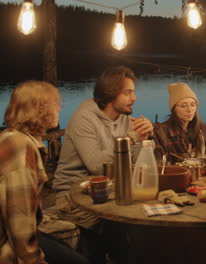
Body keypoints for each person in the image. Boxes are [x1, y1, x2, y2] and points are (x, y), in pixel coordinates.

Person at [53, 66, 154, 263]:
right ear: (109, 93)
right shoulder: (84, 119)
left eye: (133, 92)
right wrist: (131, 138)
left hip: (110, 192)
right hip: (73, 195)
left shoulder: (125, 119)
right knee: (122, 229)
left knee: (143, 227)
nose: (134, 98)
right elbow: (97, 166)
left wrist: (146, 140)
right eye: (128, 92)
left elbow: (137, 164)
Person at [0, 81, 89, 264]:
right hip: (7, 245)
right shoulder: (20, 147)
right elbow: (20, 219)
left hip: (21, 235)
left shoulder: (16, 137)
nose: (59, 107)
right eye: (54, 104)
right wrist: (34, 260)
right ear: (39, 109)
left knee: (70, 245)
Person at [154, 82, 206, 164]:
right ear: (174, 109)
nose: (189, 110)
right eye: (183, 106)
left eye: (193, 105)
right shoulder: (161, 132)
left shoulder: (200, 131)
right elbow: (159, 164)